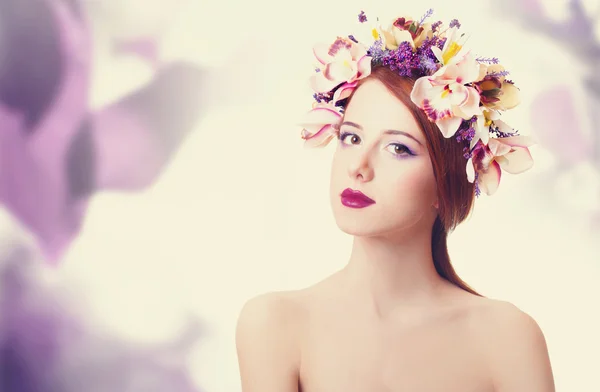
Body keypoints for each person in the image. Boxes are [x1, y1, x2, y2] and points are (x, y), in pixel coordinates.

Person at [236, 10, 555, 392]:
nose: (359, 167)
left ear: (445, 181)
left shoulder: (507, 339)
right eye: (351, 138)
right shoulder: (275, 325)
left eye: (398, 148)